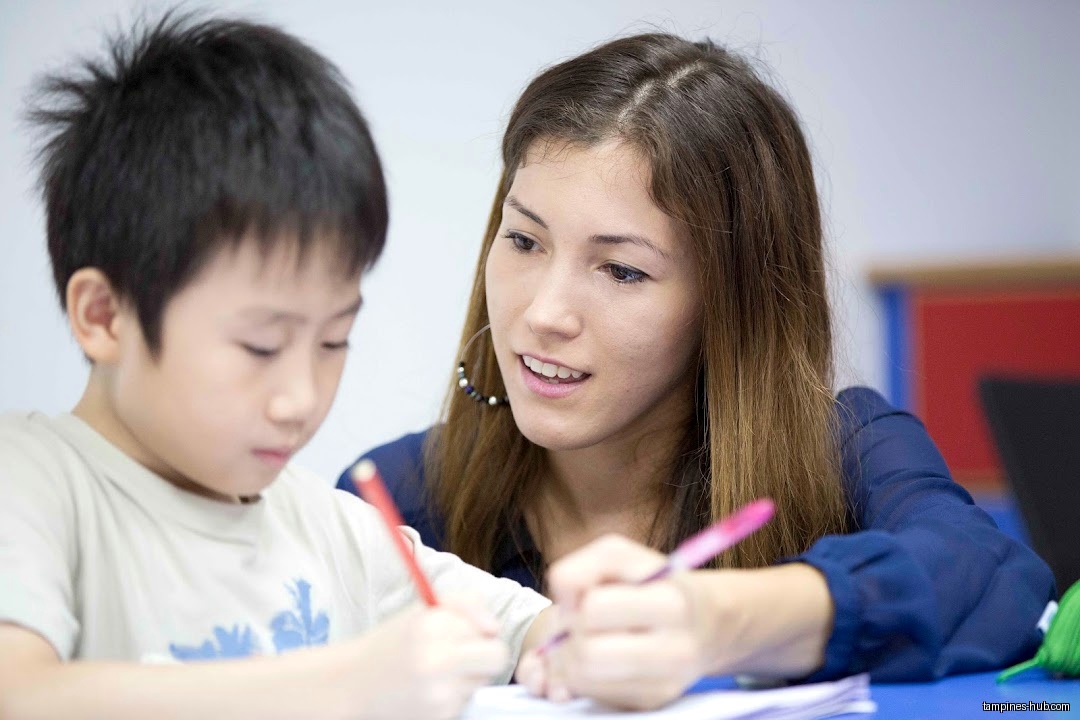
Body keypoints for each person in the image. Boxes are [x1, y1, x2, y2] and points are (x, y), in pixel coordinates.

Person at [339, 32, 1056, 710]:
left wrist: (718, 622)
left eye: (621, 269)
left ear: (728, 305)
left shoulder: (845, 448)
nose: (544, 313)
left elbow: (992, 576)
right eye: (524, 239)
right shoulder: (401, 499)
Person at [0, 13, 553, 720]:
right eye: (260, 346)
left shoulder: (329, 527)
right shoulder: (34, 483)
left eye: (333, 342)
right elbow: (19, 695)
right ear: (105, 316)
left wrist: (602, 635)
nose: (300, 399)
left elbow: (526, 630)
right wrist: (347, 684)